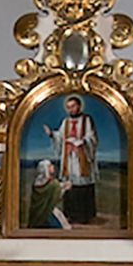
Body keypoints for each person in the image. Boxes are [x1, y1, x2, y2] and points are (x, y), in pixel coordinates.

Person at [41, 94, 98, 223]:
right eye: (68, 107)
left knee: (82, 186)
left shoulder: (87, 120)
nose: (70, 109)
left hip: (82, 157)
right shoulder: (66, 122)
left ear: (79, 106)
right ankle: (70, 214)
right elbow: (60, 136)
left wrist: (82, 141)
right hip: (69, 158)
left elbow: (92, 137)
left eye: (73, 106)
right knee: (70, 185)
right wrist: (52, 134)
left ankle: (84, 216)